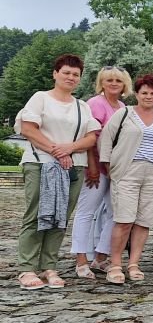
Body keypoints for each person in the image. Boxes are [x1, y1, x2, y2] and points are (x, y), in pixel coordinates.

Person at [14, 54, 100, 290]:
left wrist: (70, 149)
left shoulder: (82, 106)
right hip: (40, 163)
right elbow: (28, 129)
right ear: (55, 73)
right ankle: (27, 267)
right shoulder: (40, 99)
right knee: (36, 214)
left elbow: (92, 136)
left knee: (60, 217)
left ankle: (49, 266)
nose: (71, 77)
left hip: (73, 166)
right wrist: (57, 151)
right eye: (66, 72)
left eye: (76, 74)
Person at [99, 74, 153, 283]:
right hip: (127, 171)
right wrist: (110, 167)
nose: (148, 97)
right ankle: (114, 265)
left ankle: (134, 263)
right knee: (124, 219)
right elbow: (106, 140)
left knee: (143, 221)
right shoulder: (124, 114)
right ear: (137, 94)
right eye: (144, 93)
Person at [71, 65, 131, 279]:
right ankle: (81, 260)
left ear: (125, 84)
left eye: (118, 80)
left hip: (115, 169)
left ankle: (101, 256)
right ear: (101, 83)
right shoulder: (95, 104)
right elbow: (90, 137)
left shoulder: (122, 107)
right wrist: (93, 167)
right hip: (96, 168)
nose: (114, 83)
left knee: (116, 214)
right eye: (109, 80)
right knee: (87, 212)